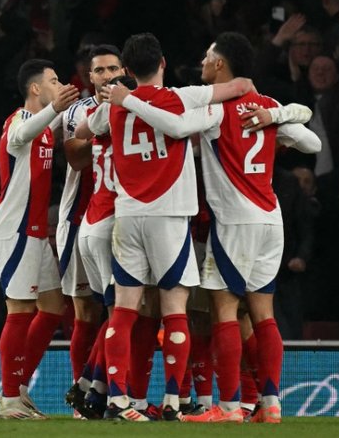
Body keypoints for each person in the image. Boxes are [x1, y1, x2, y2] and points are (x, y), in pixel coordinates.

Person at [126, 33, 319, 423]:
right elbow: (312, 143)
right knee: (264, 315)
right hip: (270, 219)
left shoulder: (219, 109)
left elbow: (178, 127)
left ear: (219, 65)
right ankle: (271, 405)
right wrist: (275, 116)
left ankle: (229, 408)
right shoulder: (266, 105)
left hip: (235, 221)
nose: (202, 62)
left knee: (224, 311)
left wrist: (128, 100)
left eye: (207, 57)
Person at [87, 33, 252, 420]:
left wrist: (118, 98)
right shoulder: (183, 97)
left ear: (125, 70)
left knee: (123, 311)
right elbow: (240, 86)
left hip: (127, 215)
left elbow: (86, 128)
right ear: (163, 62)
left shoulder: (113, 106)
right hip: (169, 216)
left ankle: (117, 400)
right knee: (174, 307)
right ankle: (175, 401)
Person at [0, 59, 80, 419]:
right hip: (15, 229)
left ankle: (20, 385)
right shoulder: (19, 122)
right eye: (54, 81)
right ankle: (10, 399)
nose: (59, 86)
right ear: (35, 88)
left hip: (37, 232)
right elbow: (17, 137)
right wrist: (57, 109)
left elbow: (62, 119)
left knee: (53, 307)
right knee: (20, 310)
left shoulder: (43, 126)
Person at [58, 45, 123, 416]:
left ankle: (96, 388)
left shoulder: (138, 103)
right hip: (80, 219)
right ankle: (84, 402)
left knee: (121, 310)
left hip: (124, 220)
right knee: (87, 312)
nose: (107, 76)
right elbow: (77, 158)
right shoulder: (77, 112)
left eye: (113, 68)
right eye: (99, 71)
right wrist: (105, 116)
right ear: (88, 77)